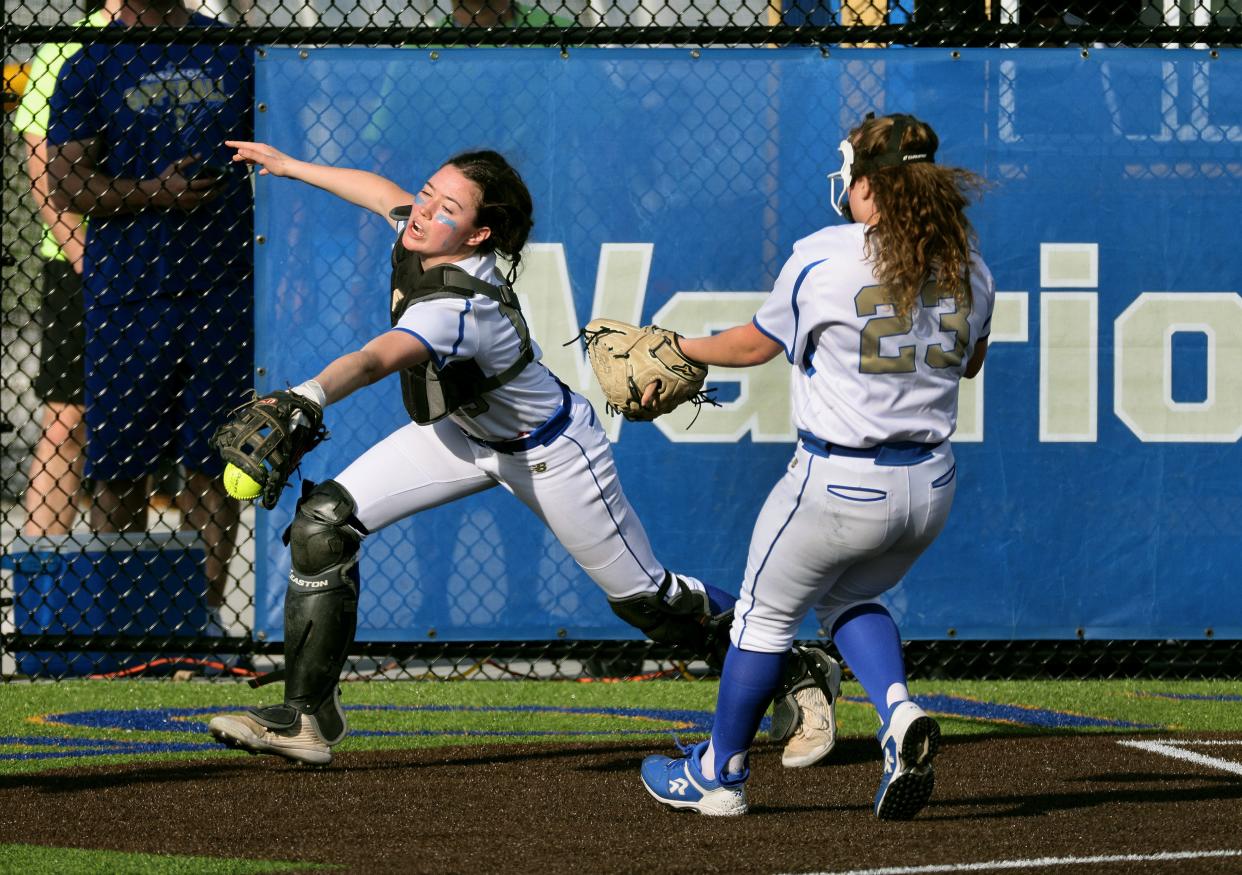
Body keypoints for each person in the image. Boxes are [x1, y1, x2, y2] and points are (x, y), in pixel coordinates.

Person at [205, 143, 835, 766]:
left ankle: (797, 668)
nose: (421, 209)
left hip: (550, 452)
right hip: (461, 437)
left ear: (479, 235)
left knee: (648, 601)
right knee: (322, 525)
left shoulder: (463, 306)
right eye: (426, 192)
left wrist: (307, 394)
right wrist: (291, 166)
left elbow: (375, 359)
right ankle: (306, 716)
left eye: (443, 206)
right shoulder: (425, 231)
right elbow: (375, 190)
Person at [638, 113, 995, 819]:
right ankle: (896, 710)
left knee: (762, 620)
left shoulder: (826, 254)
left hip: (839, 482)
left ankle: (719, 772)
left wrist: (672, 342)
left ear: (866, 183)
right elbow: (972, 362)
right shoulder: (969, 264)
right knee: (844, 599)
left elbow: (751, 347)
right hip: (930, 485)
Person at [44, 0, 255, 631]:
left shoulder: (235, 49)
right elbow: (68, 184)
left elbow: (278, 154)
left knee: (214, 462)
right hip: (129, 293)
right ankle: (126, 624)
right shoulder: (88, 63)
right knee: (117, 465)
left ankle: (201, 622)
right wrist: (153, 193)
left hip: (225, 286)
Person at [11, 0, 120, 537]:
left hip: (162, 262)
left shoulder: (191, 38)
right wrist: (87, 258)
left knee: (134, 432)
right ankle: (40, 586)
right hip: (82, 265)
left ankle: (132, 595)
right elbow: (40, 164)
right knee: (67, 420)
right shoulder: (68, 43)